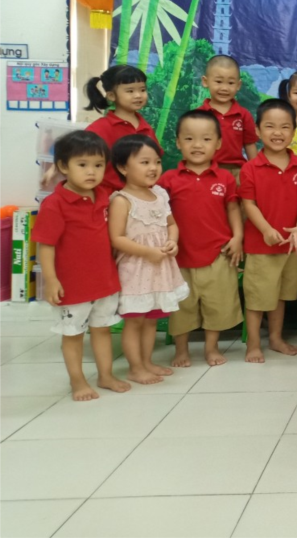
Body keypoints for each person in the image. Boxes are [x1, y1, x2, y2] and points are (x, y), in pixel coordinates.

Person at [33, 131, 129, 401]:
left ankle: (106, 375)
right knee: (73, 335)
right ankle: (77, 381)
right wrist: (51, 280)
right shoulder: (55, 204)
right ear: (63, 167)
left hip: (105, 281)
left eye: (98, 165)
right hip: (72, 286)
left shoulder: (105, 196)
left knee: (102, 330)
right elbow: (46, 245)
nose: (91, 172)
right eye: (83, 164)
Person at [158, 110, 244, 368]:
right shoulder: (168, 179)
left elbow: (233, 209)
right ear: (178, 142)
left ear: (218, 143)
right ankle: (181, 350)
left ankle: (211, 348)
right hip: (179, 256)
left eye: (206, 139)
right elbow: (160, 214)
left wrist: (238, 237)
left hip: (218, 253)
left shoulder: (225, 178)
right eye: (189, 139)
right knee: (182, 306)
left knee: (217, 304)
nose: (197, 145)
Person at [108, 135, 189, 385]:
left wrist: (172, 241)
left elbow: (171, 225)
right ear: (123, 167)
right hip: (136, 270)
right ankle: (135, 368)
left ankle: (147, 362)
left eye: (157, 162)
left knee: (151, 320)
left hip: (159, 270)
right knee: (135, 321)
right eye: (144, 162)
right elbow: (117, 238)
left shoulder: (160, 194)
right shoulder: (121, 200)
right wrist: (147, 252)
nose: (153, 168)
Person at [239, 99, 297, 362]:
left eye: (285, 127)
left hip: (291, 246)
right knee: (257, 298)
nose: (277, 133)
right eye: (270, 126)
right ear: (258, 131)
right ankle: (253, 345)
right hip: (261, 247)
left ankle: (275, 338)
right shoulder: (250, 168)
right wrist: (265, 229)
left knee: (280, 295)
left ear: (294, 131)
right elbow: (248, 203)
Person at [85, 65, 163, 192]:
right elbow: (80, 159)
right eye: (130, 91)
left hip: (142, 195)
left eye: (142, 90)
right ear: (111, 95)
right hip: (109, 196)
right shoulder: (99, 129)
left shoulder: (146, 128)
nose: (138, 95)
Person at [198, 54, 258, 182]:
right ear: (205, 81)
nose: (224, 88)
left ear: (238, 85)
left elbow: (250, 145)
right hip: (206, 170)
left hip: (237, 172)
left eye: (231, 83)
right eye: (218, 82)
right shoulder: (199, 115)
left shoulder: (244, 115)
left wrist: (256, 171)